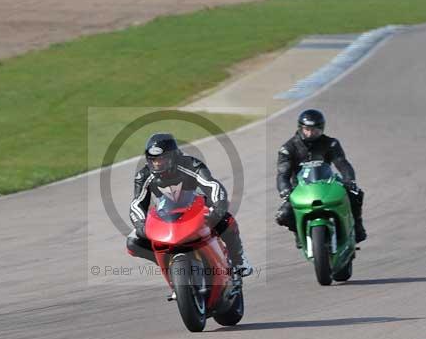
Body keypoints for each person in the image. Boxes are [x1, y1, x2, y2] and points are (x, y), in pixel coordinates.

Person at [126, 133, 252, 288]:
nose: (157, 164)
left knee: (226, 220)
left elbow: (213, 186)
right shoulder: (144, 175)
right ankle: (170, 268)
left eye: (161, 159)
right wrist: (140, 224)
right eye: (153, 160)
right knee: (133, 242)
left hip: (198, 209)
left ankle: (239, 260)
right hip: (166, 217)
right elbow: (137, 203)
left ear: (173, 156)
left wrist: (218, 209)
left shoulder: (191, 165)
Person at [275, 109, 366, 247]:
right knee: (283, 215)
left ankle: (358, 226)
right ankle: (299, 233)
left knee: (356, 193)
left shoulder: (331, 143)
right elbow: (283, 174)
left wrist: (349, 180)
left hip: (327, 184)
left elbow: (342, 163)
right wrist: (285, 190)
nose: (311, 133)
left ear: (321, 129)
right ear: (300, 128)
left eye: (315, 130)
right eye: (307, 129)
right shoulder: (288, 148)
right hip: (300, 189)